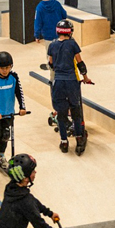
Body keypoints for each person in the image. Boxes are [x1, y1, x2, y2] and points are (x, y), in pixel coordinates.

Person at [46, 18, 89, 154]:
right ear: (70, 32)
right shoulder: (72, 44)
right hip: (71, 81)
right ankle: (78, 138)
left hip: (58, 82)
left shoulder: (52, 45)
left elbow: (51, 63)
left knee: (61, 114)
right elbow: (80, 62)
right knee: (76, 112)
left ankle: (64, 142)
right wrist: (85, 77)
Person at [0, 51, 27, 170]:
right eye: (2, 68)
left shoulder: (14, 77)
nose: (5, 70)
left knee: (5, 136)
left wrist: (22, 107)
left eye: (7, 67)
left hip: (8, 113)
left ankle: (2, 156)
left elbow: (19, 92)